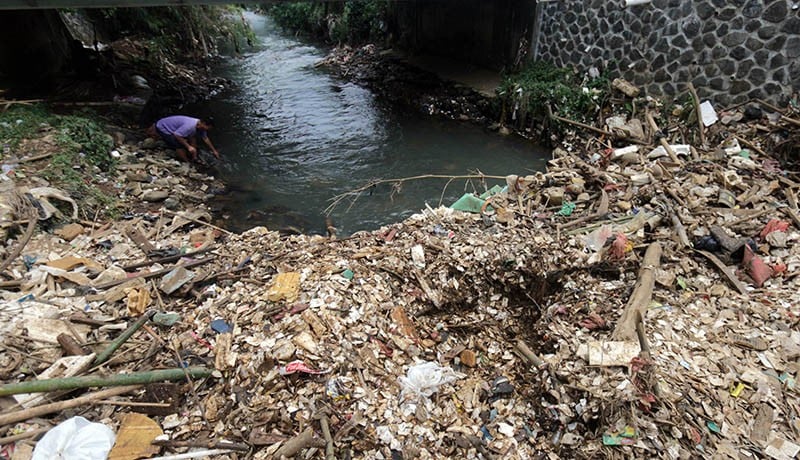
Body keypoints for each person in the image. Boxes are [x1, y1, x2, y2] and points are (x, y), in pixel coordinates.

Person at [149, 115, 220, 163]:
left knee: (193, 139)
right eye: (208, 127)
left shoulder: (201, 127)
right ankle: (186, 162)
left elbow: (205, 138)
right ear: (203, 123)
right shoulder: (190, 125)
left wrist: (214, 151)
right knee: (178, 144)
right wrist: (188, 147)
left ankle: (194, 158)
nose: (207, 129)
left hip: (176, 130)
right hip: (163, 127)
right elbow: (177, 135)